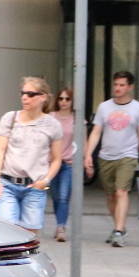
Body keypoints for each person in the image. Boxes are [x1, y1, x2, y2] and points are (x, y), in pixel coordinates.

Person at [84, 71, 139, 247]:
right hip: (106, 156)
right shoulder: (104, 107)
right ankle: (118, 227)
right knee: (110, 196)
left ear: (130, 87)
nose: (118, 88)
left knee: (121, 191)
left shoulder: (138, 109)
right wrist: (88, 155)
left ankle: (118, 230)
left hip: (128, 156)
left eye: (122, 85)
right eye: (116, 84)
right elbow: (96, 132)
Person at [0, 78, 63, 236]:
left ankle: (24, 261)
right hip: (7, 184)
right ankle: (6, 261)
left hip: (34, 187)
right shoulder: (10, 118)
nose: (24, 98)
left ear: (43, 97)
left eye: (30, 94)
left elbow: (57, 159)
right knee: (4, 231)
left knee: (29, 236)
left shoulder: (52, 125)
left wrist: (45, 181)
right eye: (23, 93)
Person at [50, 87, 77, 241]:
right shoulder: (51, 117)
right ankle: (59, 223)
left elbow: (82, 141)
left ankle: (61, 227)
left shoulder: (77, 119)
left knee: (63, 196)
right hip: (52, 162)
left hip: (68, 163)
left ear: (72, 101)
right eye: (61, 99)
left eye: (67, 99)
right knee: (55, 197)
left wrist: (86, 160)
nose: (64, 102)